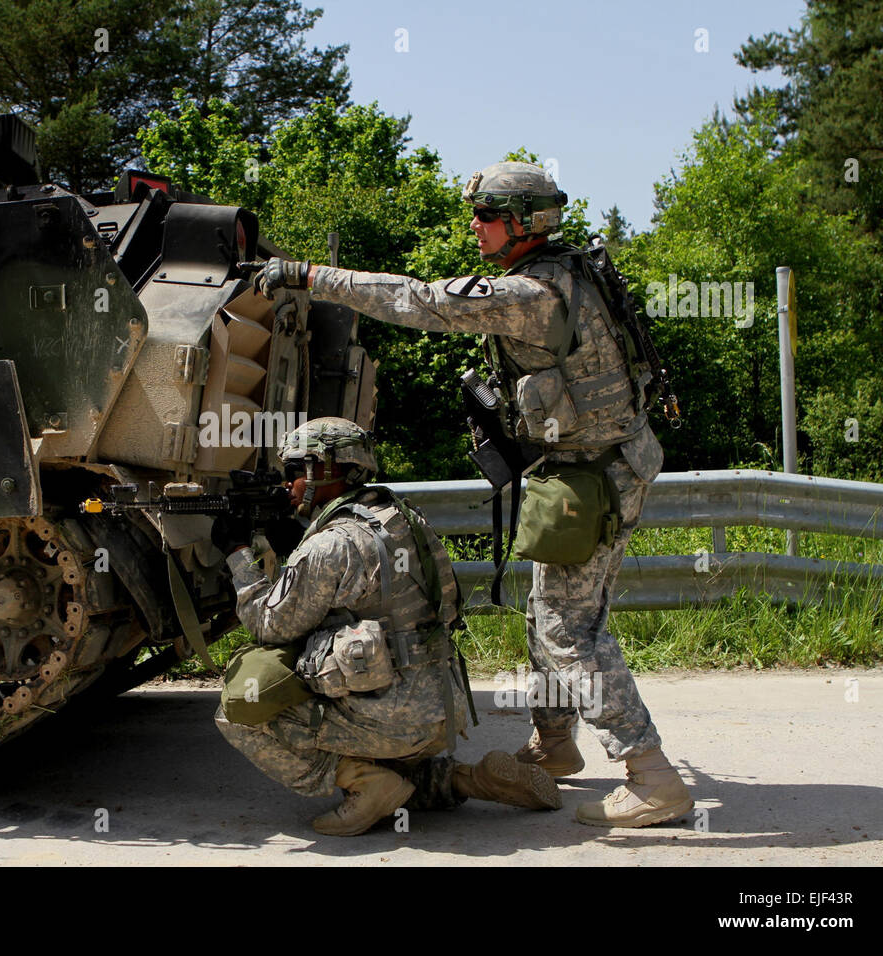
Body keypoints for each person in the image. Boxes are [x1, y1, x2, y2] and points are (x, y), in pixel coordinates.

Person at [250, 162, 693, 829]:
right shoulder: (572, 271)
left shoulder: (531, 294)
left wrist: (309, 276)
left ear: (523, 223)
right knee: (548, 614)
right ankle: (554, 745)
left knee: (570, 629)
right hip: (594, 467)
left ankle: (651, 775)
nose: (475, 228)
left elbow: (415, 301)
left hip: (592, 477)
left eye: (486, 217)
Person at [213, 416, 561, 837]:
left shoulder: (328, 545)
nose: (288, 486)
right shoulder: (402, 516)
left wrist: (237, 553)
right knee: (398, 772)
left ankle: (366, 785)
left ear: (323, 470)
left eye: (293, 473)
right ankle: (470, 778)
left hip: (387, 718)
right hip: (441, 711)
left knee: (240, 713)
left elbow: (269, 625)